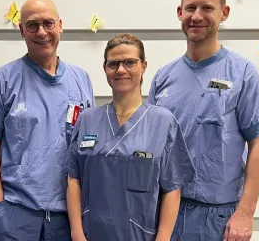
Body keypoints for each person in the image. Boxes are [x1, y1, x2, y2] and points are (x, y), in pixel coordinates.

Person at [148, 0, 259, 241]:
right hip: (165, 213)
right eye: (190, 8)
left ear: (224, 13)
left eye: (207, 8)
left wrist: (245, 214)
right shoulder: (163, 77)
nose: (197, 16)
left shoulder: (243, 73)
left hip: (218, 218)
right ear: (179, 12)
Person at [0, 0, 95, 241]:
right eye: (32, 25)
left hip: (68, 216)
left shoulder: (81, 79)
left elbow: (88, 148)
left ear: (60, 25)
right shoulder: (2, 80)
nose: (41, 32)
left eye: (48, 23)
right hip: (16, 213)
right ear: (21, 30)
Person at [66, 33, 195, 241]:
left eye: (130, 63)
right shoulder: (87, 119)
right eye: (113, 64)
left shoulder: (163, 122)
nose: (121, 70)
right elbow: (74, 179)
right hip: (92, 235)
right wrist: (77, 233)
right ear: (105, 69)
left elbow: (172, 189)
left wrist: (163, 239)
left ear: (143, 66)